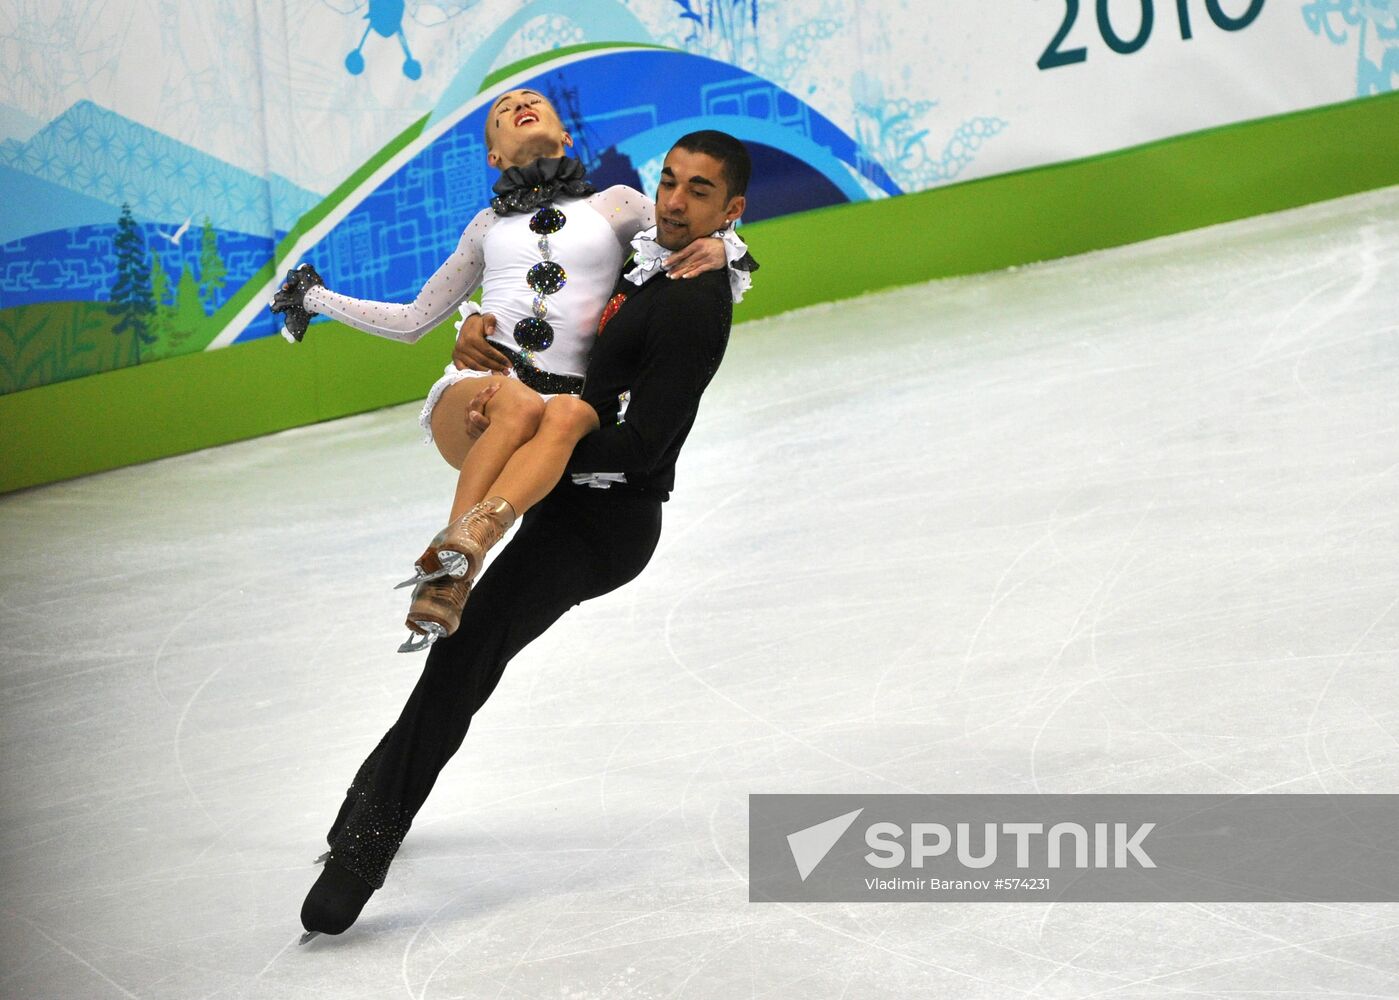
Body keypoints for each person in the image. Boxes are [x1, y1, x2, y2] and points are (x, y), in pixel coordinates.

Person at [298, 129, 752, 943]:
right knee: (462, 650)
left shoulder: (690, 300)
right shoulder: (656, 250)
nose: (677, 202)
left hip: (607, 520)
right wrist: (482, 338)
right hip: (565, 497)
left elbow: (645, 447)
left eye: (700, 193)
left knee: (466, 654)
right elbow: (563, 318)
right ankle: (363, 808)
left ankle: (360, 855)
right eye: (671, 183)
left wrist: (554, 441)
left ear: (730, 208)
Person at [271, 89, 753, 649]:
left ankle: (465, 545)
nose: (520, 105)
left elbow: (686, 226)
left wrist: (729, 250)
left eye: (535, 102)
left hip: (559, 414)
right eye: (502, 113)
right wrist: (313, 298)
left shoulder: (618, 205)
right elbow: (412, 320)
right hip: (482, 395)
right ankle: (450, 572)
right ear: (493, 156)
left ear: (567, 135)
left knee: (568, 412)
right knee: (520, 403)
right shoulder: (484, 228)